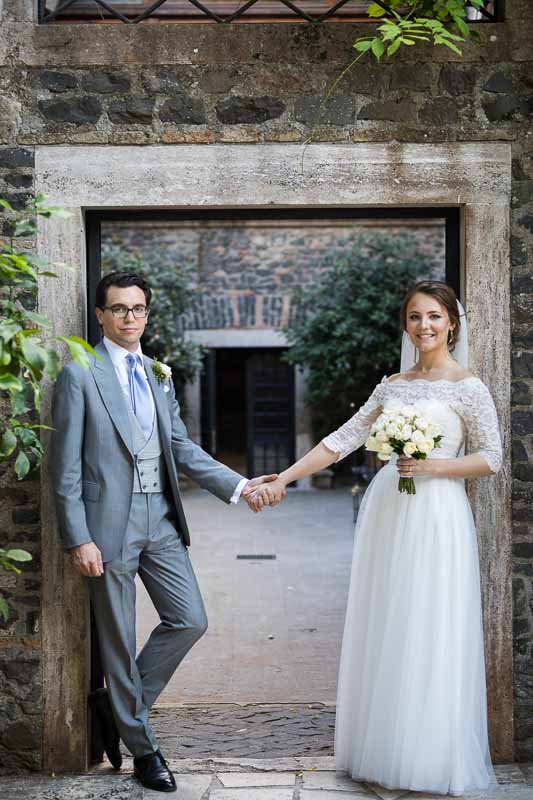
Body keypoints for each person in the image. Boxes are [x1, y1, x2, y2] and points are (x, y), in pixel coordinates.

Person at [249, 281, 502, 796]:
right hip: (389, 509)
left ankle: (430, 754)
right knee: (390, 619)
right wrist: (283, 479)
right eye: (414, 317)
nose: (424, 326)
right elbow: (340, 441)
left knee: (431, 620)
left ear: (452, 322)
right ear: (405, 324)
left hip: (437, 513)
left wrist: (433, 465)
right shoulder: (391, 386)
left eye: (433, 316)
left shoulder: (468, 387)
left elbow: (491, 457)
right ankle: (385, 746)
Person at [51, 271, 277, 792]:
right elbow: (63, 469)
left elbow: (179, 446)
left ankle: (116, 706)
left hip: (162, 519)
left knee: (190, 619)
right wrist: (77, 537)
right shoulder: (79, 374)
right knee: (118, 637)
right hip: (107, 525)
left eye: (138, 309)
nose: (130, 318)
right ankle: (144, 749)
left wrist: (241, 487)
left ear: (146, 314)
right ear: (100, 316)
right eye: (119, 309)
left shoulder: (158, 374)